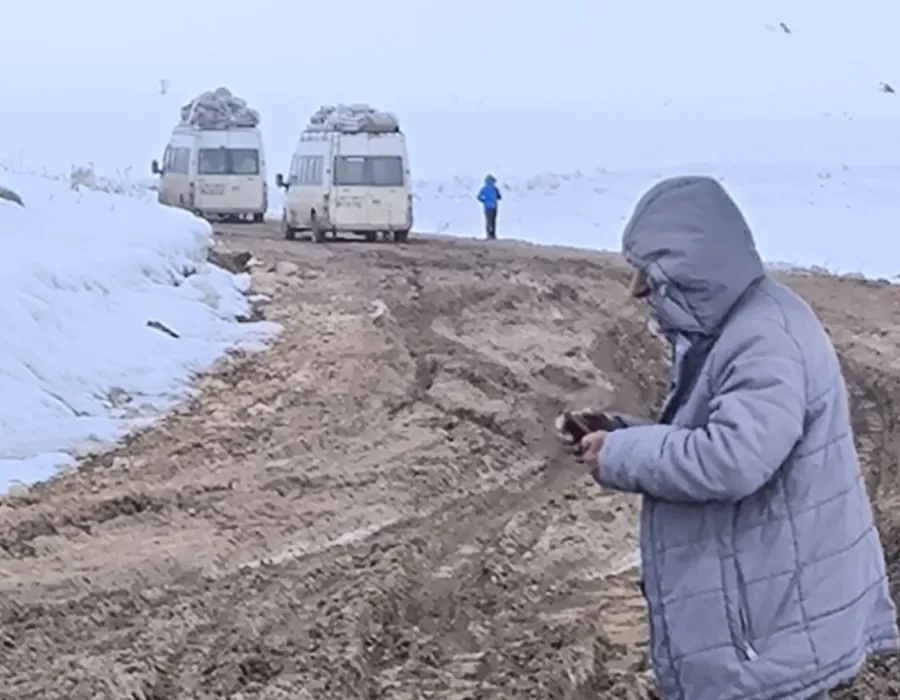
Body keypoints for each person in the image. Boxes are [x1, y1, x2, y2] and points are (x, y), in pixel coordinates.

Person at [556, 176, 898, 700]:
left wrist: (620, 454)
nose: (638, 291)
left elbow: (733, 459)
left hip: (769, 635)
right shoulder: (741, 325)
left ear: (693, 268)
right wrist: (618, 432)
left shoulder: (765, 338)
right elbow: (713, 435)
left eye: (650, 274)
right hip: (767, 618)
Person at [476, 174, 502, 240]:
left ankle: (488, 234)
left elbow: (478, 197)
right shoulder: (495, 188)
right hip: (494, 206)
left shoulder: (484, 188)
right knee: (493, 220)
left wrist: (484, 201)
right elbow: (499, 197)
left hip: (487, 207)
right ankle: (493, 235)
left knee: (488, 220)